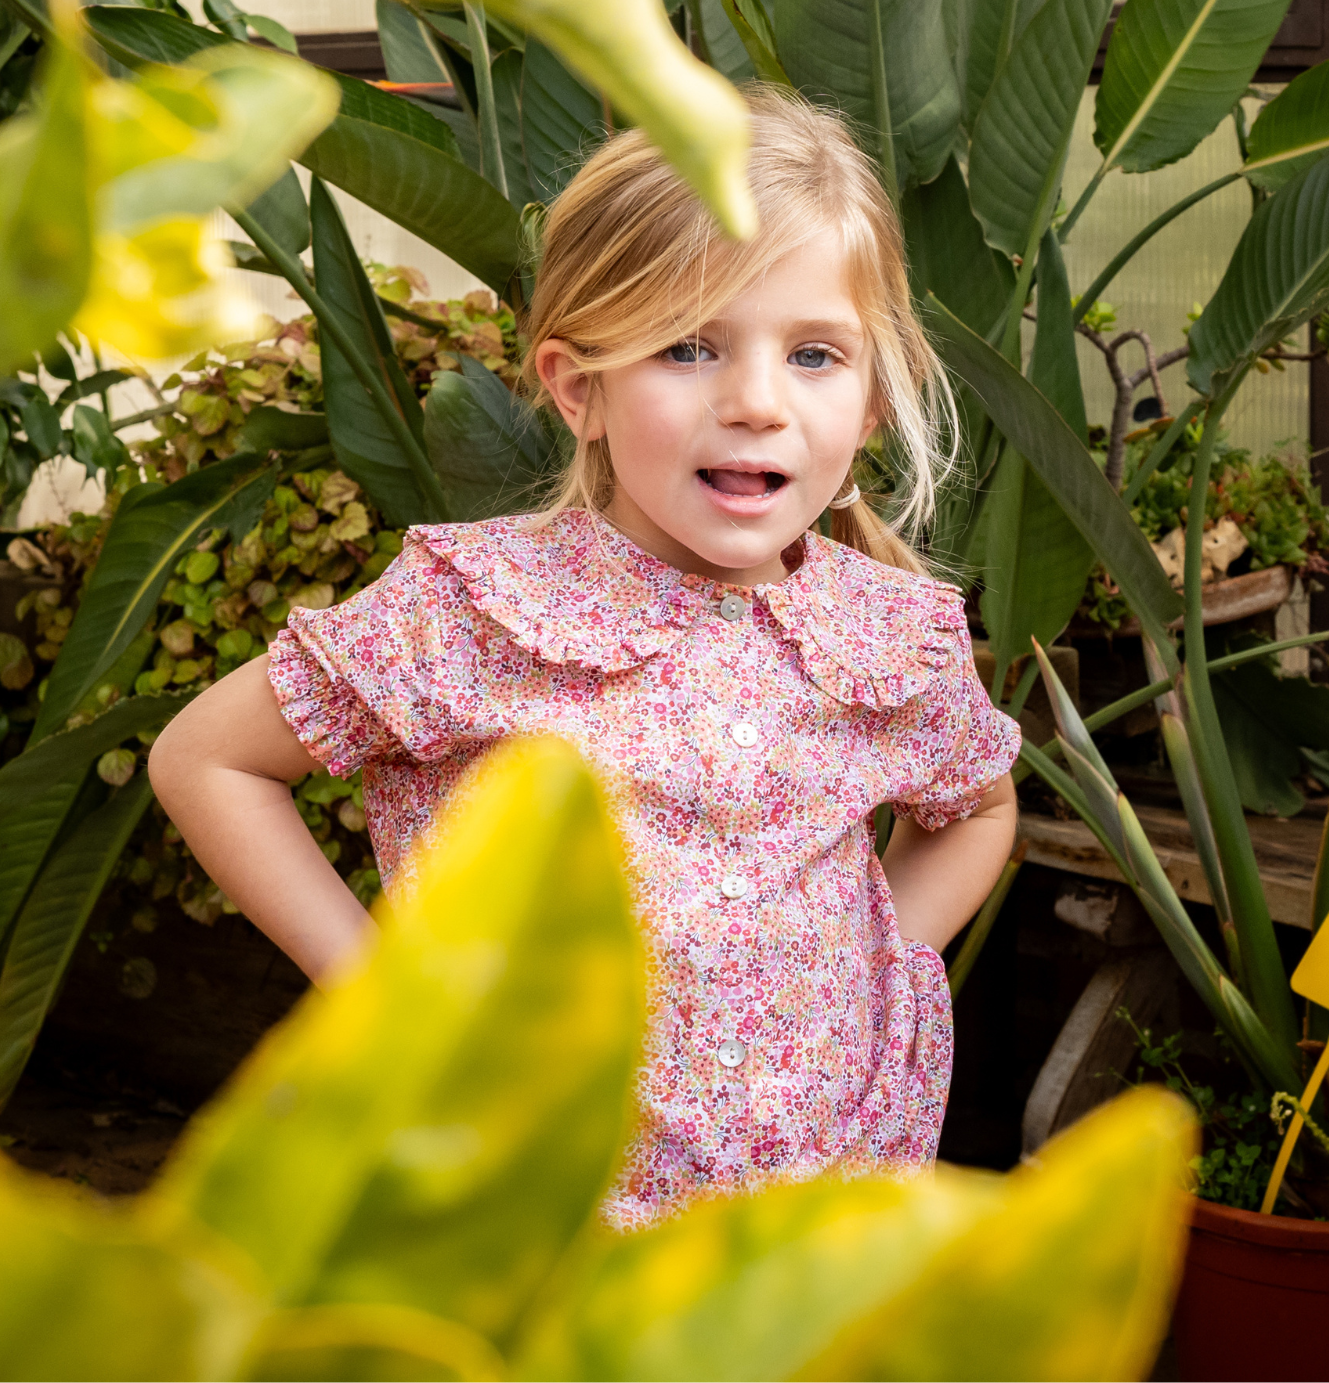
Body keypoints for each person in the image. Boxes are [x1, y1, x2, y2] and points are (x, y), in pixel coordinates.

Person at [150, 88, 1020, 1229]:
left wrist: (876, 958)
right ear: (578, 386)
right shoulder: (477, 612)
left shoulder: (889, 632)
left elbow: (976, 806)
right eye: (690, 345)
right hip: (527, 1205)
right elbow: (205, 759)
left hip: (797, 1216)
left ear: (867, 404)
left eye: (814, 353)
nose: (757, 402)